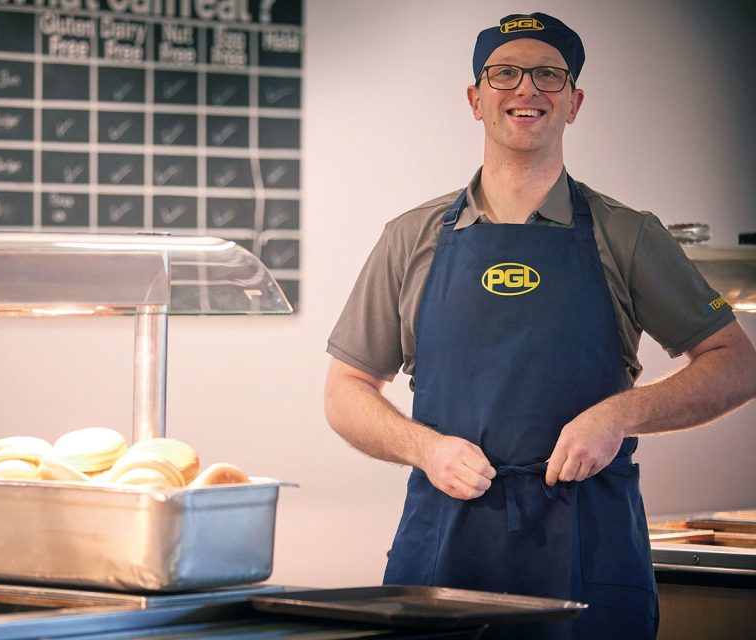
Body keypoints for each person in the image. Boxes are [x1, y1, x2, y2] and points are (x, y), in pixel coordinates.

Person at [324, 12, 756, 640]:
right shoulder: (409, 238)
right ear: (476, 98)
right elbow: (345, 389)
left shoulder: (627, 235)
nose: (526, 89)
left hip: (588, 549)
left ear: (574, 102)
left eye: (549, 75)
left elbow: (736, 362)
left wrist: (617, 416)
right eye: (505, 74)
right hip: (443, 549)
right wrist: (426, 448)